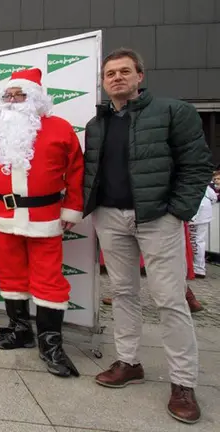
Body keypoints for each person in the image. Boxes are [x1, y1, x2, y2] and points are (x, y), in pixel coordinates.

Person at [82, 48, 212, 424]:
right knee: (123, 293)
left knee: (170, 299)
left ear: (141, 75)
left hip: (158, 219)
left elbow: (197, 163)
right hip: (110, 216)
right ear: (104, 82)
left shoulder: (173, 112)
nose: (117, 78)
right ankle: (128, 361)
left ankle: (183, 383)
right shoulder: (98, 123)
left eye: (124, 71)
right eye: (110, 74)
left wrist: (177, 211)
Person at [0, 68, 84, 376]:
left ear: (35, 98)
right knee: (9, 276)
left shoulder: (60, 129)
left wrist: (72, 209)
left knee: (49, 279)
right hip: (2, 217)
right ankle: (20, 330)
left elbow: (76, 173)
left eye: (18, 95)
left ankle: (51, 345)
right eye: (7, 96)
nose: (12, 101)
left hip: (44, 217)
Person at [189, 185, 216, 279]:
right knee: (198, 240)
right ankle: (197, 267)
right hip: (203, 216)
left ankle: (198, 268)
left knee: (195, 241)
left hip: (196, 217)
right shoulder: (206, 185)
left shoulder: (190, 183)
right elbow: (214, 198)